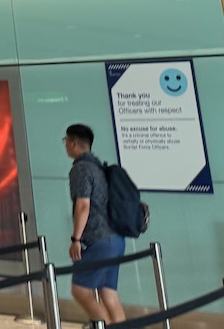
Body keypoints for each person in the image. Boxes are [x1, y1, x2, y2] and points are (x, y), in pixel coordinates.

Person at [64, 124, 126, 325]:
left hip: (98, 239)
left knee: (80, 290)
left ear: (73, 143)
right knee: (108, 294)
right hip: (116, 238)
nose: (65, 145)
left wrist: (76, 239)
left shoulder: (80, 169)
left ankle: (103, 325)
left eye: (66, 141)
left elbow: (83, 206)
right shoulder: (99, 166)